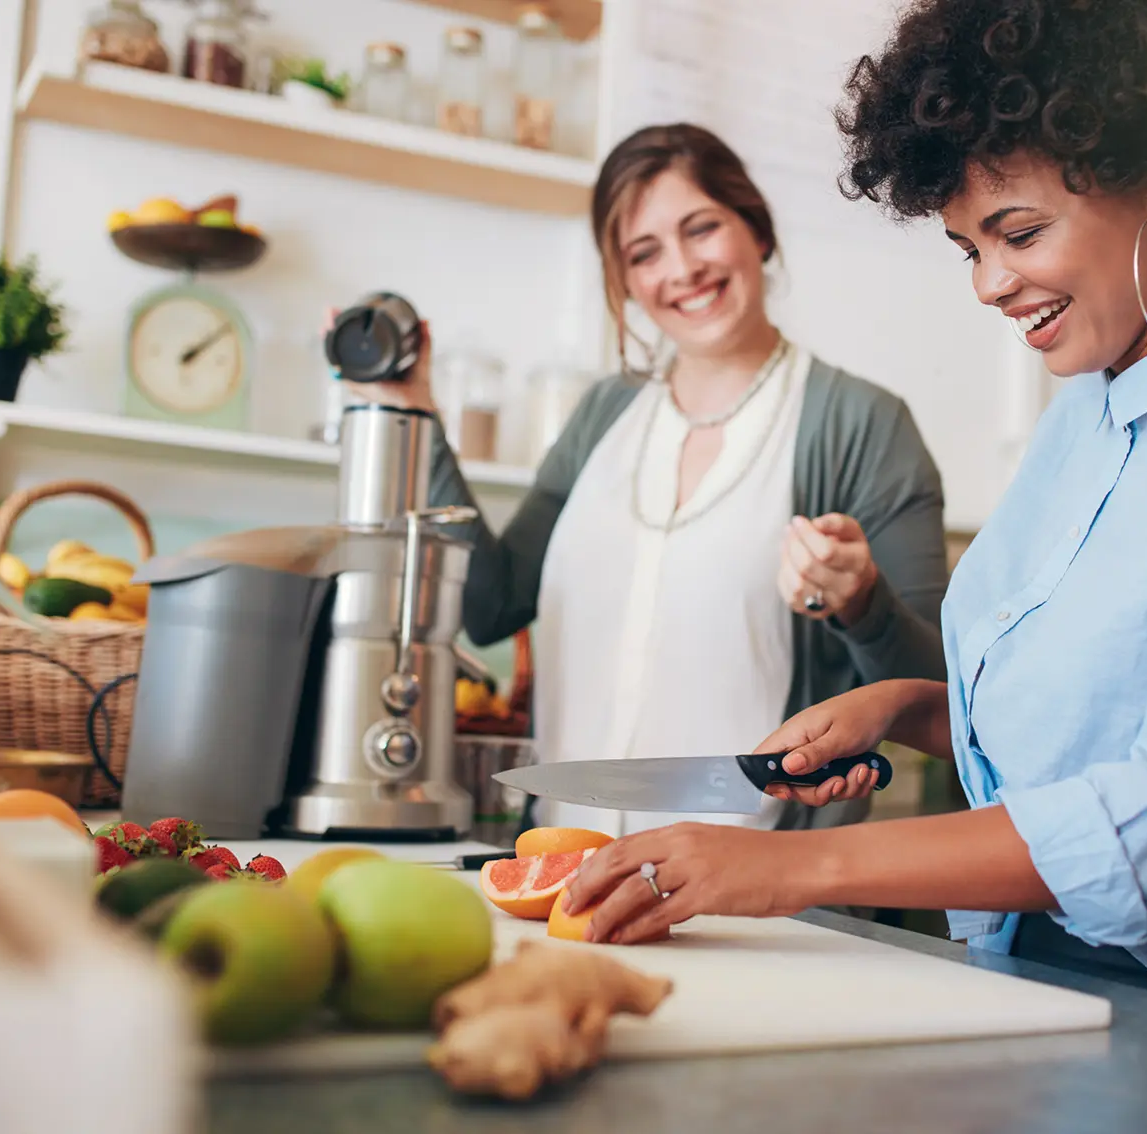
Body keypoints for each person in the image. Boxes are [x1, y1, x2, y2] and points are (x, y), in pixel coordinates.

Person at [563, 0, 1147, 994]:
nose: (988, 284)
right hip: (1019, 969)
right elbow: (1075, 734)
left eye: (1018, 232)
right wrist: (902, 708)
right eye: (968, 247)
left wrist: (784, 866)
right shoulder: (1082, 416)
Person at [367, 123, 950, 839]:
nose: (681, 268)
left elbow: (935, 689)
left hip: (761, 894)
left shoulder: (862, 424)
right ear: (627, 284)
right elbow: (489, 605)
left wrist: (863, 603)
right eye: (643, 253)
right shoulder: (604, 415)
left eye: (701, 229)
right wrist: (415, 418)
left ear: (755, 231)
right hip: (567, 864)